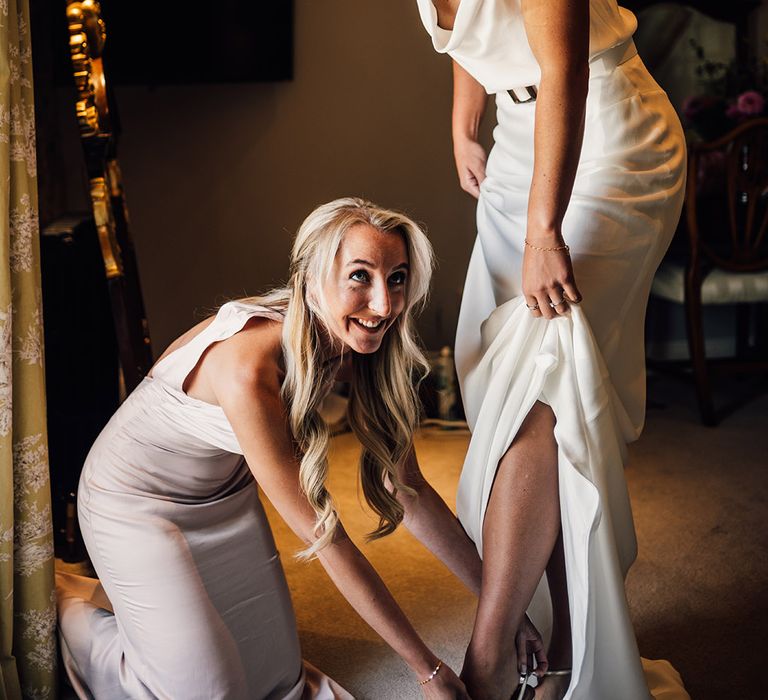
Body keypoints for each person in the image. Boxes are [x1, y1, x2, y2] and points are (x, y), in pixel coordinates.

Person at [56, 197, 500, 699]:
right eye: (360, 276)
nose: (383, 305)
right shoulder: (249, 369)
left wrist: (503, 614)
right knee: (208, 691)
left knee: (278, 684)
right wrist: (428, 670)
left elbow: (410, 490)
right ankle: (63, 604)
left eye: (396, 278)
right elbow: (326, 539)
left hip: (226, 498)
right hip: (135, 506)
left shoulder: (357, 339)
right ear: (312, 279)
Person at [414, 2, 690, 699]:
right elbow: (467, 40)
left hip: (604, 136)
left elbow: (562, 66)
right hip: (519, 144)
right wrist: (462, 124)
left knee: (542, 373)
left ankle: (490, 653)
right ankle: (572, 644)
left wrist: (544, 233)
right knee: (499, 375)